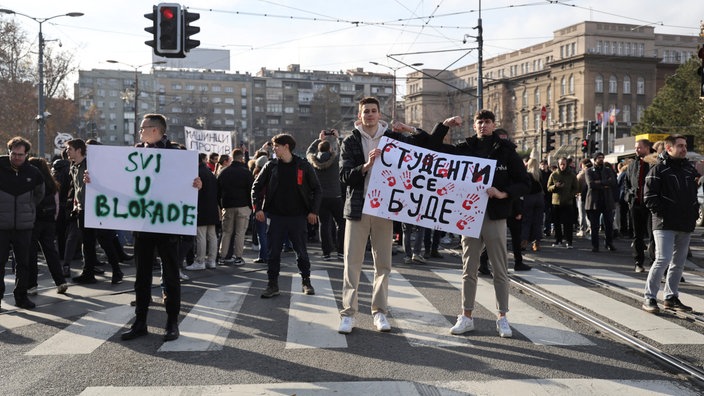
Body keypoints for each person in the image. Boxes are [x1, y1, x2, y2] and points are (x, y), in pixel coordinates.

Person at [337, 97, 433, 334]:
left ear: (380, 114)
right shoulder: (350, 141)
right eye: (365, 112)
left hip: (385, 208)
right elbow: (344, 176)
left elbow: (426, 149)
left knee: (383, 264)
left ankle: (379, 312)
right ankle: (348, 314)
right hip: (358, 208)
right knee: (352, 263)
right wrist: (365, 166)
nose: (369, 115)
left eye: (373, 111)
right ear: (360, 116)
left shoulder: (394, 138)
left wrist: (409, 128)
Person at [432, 110, 530, 338]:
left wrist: (504, 193)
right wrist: (444, 126)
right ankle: (466, 316)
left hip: (494, 215)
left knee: (499, 268)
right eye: (479, 122)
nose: (483, 125)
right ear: (474, 125)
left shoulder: (506, 150)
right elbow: (435, 150)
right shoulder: (465, 148)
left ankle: (502, 318)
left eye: (487, 122)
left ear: (494, 124)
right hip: (469, 215)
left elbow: (525, 182)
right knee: (469, 268)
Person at [119, 113, 203, 342]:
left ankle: (172, 323)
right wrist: (92, 178)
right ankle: (140, 322)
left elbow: (195, 180)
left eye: (143, 128)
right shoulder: (136, 153)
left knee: (171, 275)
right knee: (142, 276)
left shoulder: (177, 154)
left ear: (155, 130)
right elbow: (120, 180)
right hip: (143, 224)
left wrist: (197, 183)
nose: (140, 132)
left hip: (168, 224)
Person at [251, 133, 321, 298]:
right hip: (276, 217)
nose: (274, 149)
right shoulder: (271, 166)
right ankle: (272, 284)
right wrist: (258, 209)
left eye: (276, 146)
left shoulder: (303, 165)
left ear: (286, 146)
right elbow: (256, 186)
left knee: (301, 252)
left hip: (298, 217)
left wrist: (314, 211)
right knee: (273, 253)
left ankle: (306, 281)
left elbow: (317, 189)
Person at [641, 135, 697, 313]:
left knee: (678, 263)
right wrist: (662, 213)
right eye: (680, 146)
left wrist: (693, 213)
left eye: (685, 146)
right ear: (668, 148)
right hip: (664, 223)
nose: (684, 149)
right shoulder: (659, 169)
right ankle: (649, 297)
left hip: (685, 223)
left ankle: (671, 297)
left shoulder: (688, 169)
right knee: (663, 259)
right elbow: (649, 197)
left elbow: (693, 196)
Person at [65, 139, 124, 285]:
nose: (67, 151)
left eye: (69, 149)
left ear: (79, 150)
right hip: (82, 209)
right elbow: (77, 189)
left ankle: (117, 270)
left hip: (97, 209)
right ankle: (88, 272)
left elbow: (106, 183)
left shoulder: (92, 165)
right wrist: (75, 205)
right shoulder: (73, 167)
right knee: (87, 242)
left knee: (105, 241)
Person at [0, 137, 45, 310]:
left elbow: (39, 194)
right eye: (14, 154)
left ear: (27, 154)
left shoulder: (34, 172)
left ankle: (21, 297)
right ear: (9, 151)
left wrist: (28, 209)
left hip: (24, 227)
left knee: (24, 264)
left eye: (21, 154)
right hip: (1, 226)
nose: (17, 157)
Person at [27, 157, 69, 295]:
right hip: (49, 221)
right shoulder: (52, 182)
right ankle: (60, 281)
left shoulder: (32, 181)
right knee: (51, 252)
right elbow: (56, 204)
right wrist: (53, 218)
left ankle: (32, 285)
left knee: (31, 254)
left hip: (34, 221)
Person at [306, 131, 345, 261]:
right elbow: (343, 151)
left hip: (321, 198)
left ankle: (326, 252)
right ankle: (341, 251)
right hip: (336, 196)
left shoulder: (313, 161)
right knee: (341, 224)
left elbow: (308, 152)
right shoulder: (335, 161)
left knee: (324, 225)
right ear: (330, 148)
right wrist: (337, 138)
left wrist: (318, 139)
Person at [217, 148, 253, 266]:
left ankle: (223, 256)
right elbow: (251, 190)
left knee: (227, 232)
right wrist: (250, 206)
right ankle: (238, 257)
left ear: (232, 157)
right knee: (240, 233)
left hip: (227, 206)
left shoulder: (224, 172)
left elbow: (218, 190)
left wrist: (221, 204)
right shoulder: (246, 173)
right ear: (241, 158)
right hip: (243, 205)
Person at [624, 139, 654, 273]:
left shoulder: (654, 163)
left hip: (651, 206)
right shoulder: (632, 165)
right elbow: (627, 185)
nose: (637, 150)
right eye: (636, 148)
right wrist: (630, 196)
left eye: (639, 148)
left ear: (647, 148)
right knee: (638, 235)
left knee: (653, 236)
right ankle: (638, 262)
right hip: (635, 204)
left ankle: (654, 262)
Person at [186, 153, 219, 270]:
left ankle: (200, 261)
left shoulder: (197, 173)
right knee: (212, 235)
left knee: (201, 236)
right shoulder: (210, 172)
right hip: (212, 208)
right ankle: (212, 260)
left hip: (201, 207)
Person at [585, 152, 617, 252]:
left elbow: (613, 182)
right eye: (599, 158)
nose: (601, 159)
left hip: (607, 200)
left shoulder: (607, 170)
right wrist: (605, 183)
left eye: (602, 157)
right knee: (594, 226)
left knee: (609, 224)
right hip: (594, 202)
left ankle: (609, 243)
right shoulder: (589, 171)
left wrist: (599, 182)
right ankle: (595, 245)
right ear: (594, 159)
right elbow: (591, 184)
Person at [547, 157, 579, 249]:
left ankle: (569, 241)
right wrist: (555, 186)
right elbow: (548, 188)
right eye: (561, 164)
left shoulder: (571, 175)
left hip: (567, 202)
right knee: (556, 223)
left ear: (567, 164)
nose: (562, 166)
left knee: (568, 223)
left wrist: (570, 196)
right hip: (556, 202)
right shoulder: (554, 174)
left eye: (564, 164)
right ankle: (558, 240)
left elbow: (576, 188)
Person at [521, 158, 544, 252]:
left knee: (527, 221)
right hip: (539, 198)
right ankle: (536, 243)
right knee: (537, 222)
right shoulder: (540, 174)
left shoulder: (527, 175)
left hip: (529, 198)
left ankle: (524, 242)